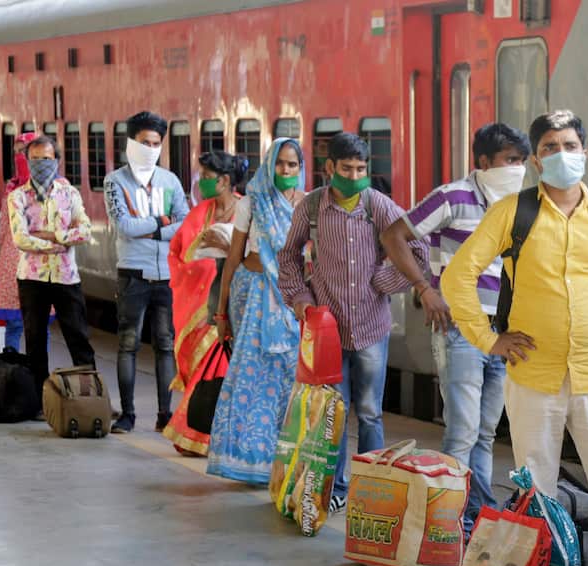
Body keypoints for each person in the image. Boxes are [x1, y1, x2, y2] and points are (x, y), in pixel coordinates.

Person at [440, 109, 588, 566]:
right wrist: (489, 340)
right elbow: (457, 278)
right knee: (538, 494)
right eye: (551, 147)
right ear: (536, 161)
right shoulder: (515, 212)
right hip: (534, 378)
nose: (562, 155)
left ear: (585, 152)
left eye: (570, 145)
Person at [381, 123, 531, 535]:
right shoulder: (452, 197)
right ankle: (448, 520)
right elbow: (393, 234)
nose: (517, 168)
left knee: (484, 433)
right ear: (483, 163)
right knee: (463, 430)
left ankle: (472, 517)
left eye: (521, 161)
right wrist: (424, 289)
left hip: (502, 335)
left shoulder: (519, 205)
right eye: (509, 160)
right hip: (461, 330)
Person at [277, 132, 425, 512]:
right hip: (328, 329)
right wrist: (301, 300)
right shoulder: (310, 208)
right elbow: (288, 257)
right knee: (335, 413)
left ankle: (370, 485)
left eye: (362, 168)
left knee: (371, 411)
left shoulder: (379, 206)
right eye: (348, 168)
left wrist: (383, 282)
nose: (355, 175)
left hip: (372, 326)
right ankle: (337, 485)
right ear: (330, 169)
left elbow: (418, 251)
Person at [207, 139, 305, 484]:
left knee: (287, 384)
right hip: (254, 301)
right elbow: (233, 259)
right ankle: (250, 463)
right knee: (251, 381)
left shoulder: (306, 206)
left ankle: (285, 464)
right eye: (280, 164)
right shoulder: (252, 202)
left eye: (293, 165)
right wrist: (221, 314)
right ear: (268, 164)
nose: (286, 171)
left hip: (292, 306)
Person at [104, 111, 189, 433]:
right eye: (145, 142)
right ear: (132, 142)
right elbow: (124, 226)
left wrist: (152, 230)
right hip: (133, 273)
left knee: (166, 345)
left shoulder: (170, 181)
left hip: (167, 275)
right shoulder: (116, 181)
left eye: (156, 143)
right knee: (128, 345)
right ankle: (128, 414)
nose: (151, 148)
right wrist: (161, 223)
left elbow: (184, 222)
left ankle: (165, 415)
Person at [164, 150, 246, 456]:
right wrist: (196, 260)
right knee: (204, 370)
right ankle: (202, 433)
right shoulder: (200, 213)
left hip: (233, 304)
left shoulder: (245, 210)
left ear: (225, 181)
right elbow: (178, 252)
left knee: (217, 371)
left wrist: (226, 247)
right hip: (199, 307)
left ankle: (199, 435)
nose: (202, 183)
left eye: (207, 178)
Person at [7, 135, 95, 394]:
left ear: (56, 160)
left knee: (78, 337)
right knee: (34, 340)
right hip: (32, 279)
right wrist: (60, 244)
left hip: (66, 277)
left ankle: (90, 395)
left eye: (46, 159)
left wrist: (54, 237)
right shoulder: (18, 197)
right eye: (35, 159)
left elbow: (86, 230)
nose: (41, 164)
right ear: (27, 161)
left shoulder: (70, 194)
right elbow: (20, 239)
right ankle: (38, 398)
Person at [0, 131, 38, 352]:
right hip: (16, 265)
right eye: (16, 152)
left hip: (34, 264)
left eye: (24, 152)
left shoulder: (13, 189)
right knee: (19, 324)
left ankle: (26, 369)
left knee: (31, 324)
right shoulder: (14, 187)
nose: (19, 157)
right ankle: (19, 370)